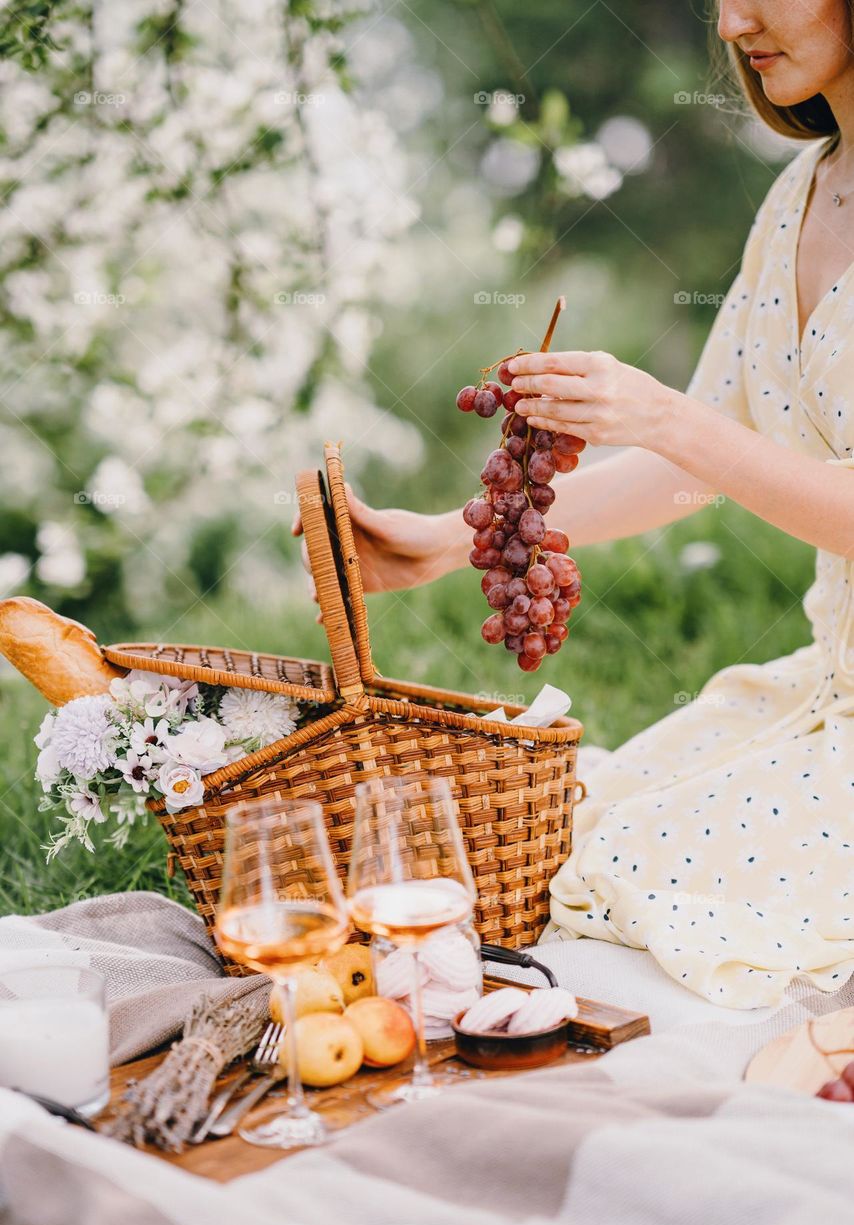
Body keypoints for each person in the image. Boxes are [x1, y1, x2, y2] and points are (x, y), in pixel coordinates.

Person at [296, 0, 854, 1009]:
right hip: (825, 689)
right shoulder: (799, 194)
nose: (731, 23)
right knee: (573, 822)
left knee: (642, 886)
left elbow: (693, 441)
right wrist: (434, 545)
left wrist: (655, 415)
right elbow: (700, 463)